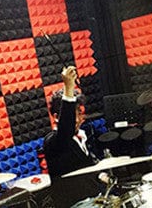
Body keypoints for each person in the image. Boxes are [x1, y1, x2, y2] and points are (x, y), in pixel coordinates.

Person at [43, 66, 103, 208]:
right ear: (56, 117)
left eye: (79, 113)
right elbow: (66, 128)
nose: (78, 119)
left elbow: (88, 167)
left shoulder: (82, 136)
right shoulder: (53, 142)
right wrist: (68, 87)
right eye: (73, 114)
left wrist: (102, 175)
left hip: (96, 199)